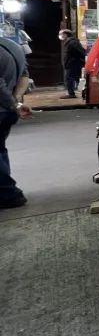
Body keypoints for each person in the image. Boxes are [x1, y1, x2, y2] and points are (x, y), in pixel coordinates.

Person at [0, 36, 32, 209]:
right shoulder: (11, 45)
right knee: (0, 150)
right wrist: (17, 100)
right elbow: (24, 75)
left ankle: (8, 193)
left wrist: (13, 104)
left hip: (4, 108)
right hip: (7, 112)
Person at [58, 29, 87, 99]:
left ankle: (71, 93)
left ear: (65, 34)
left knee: (69, 78)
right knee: (75, 78)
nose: (60, 36)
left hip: (73, 64)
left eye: (61, 34)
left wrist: (78, 60)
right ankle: (84, 93)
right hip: (71, 64)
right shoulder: (69, 42)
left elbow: (82, 52)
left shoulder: (72, 42)